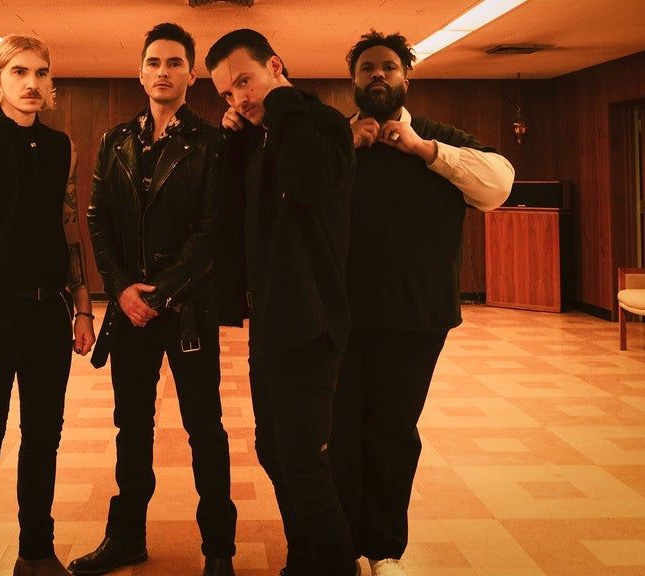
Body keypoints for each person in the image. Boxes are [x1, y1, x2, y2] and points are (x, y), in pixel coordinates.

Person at [330, 31, 514, 576]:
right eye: (367, 68)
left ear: (406, 78)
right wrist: (343, 148)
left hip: (415, 318)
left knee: (392, 433)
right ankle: (340, 546)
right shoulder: (332, 140)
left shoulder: (440, 139)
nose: (378, 75)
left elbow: (498, 186)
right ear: (353, 81)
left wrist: (423, 150)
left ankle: (384, 549)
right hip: (339, 316)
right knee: (339, 433)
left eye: (388, 67)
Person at [69, 23, 236, 576]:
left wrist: (160, 294)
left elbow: (212, 232)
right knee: (132, 427)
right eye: (154, 62)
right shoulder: (115, 141)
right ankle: (126, 538)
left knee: (204, 428)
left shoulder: (211, 143)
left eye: (174, 62)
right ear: (140, 73)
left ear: (192, 75)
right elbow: (97, 220)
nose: (163, 71)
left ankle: (218, 550)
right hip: (129, 312)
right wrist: (120, 288)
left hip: (187, 311)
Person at [0, 34, 96, 576]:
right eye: (19, 72)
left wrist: (83, 307)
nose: (32, 83)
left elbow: (69, 229)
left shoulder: (62, 148)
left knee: (43, 440)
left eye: (41, 73)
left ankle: (36, 553)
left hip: (49, 314)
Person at [207, 29, 359, 576]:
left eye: (244, 81)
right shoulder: (266, 136)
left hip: (311, 321)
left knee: (302, 462)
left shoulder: (319, 123)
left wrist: (282, 104)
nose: (239, 98)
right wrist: (239, 142)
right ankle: (304, 559)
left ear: (275, 65)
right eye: (227, 93)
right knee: (274, 450)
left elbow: (312, 182)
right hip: (273, 320)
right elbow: (239, 215)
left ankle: (336, 566)